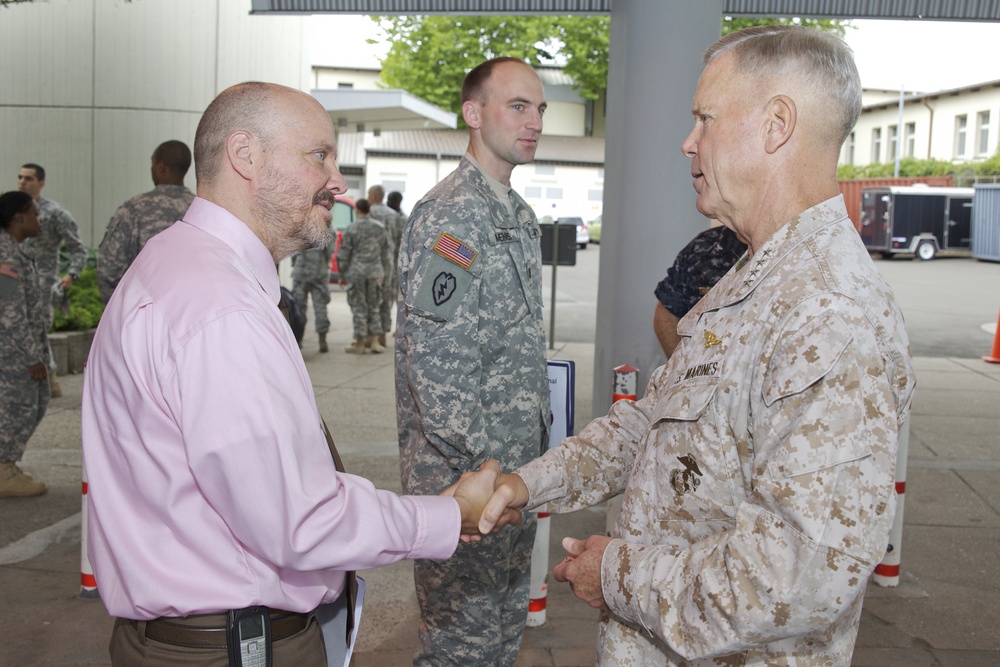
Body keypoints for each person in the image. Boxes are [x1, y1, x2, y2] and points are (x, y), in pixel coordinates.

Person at [477, 26, 917, 666]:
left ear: (775, 126)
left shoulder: (830, 313)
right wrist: (526, 487)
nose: (688, 142)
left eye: (705, 119)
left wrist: (617, 575)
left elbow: (795, 579)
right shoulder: (749, 276)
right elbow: (652, 426)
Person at [81, 81, 501, 666]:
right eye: (318, 155)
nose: (338, 180)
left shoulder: (180, 265)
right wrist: (448, 516)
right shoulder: (219, 308)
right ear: (245, 155)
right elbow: (299, 518)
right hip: (231, 645)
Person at [395, 57, 550, 666]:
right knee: (460, 644)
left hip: (510, 475)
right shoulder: (453, 215)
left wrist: (522, 475)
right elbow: (437, 365)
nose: (534, 120)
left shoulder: (515, 213)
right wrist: (483, 472)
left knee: (503, 636)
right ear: (473, 113)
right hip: (466, 481)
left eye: (540, 108)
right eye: (518, 106)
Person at [17, 163, 87, 398]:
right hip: (14, 286)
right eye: (20, 178)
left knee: (38, 333)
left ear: (41, 183)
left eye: (28, 178)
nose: (22, 182)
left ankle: (51, 380)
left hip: (43, 286)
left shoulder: (56, 213)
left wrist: (71, 275)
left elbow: (78, 249)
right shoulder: (11, 213)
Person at [96, 140, 196, 303]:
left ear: (160, 167)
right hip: (193, 314)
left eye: (152, 163)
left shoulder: (134, 209)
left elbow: (109, 271)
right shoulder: (200, 209)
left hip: (143, 316)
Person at [0, 191, 50, 498]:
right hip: (11, 352)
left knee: (32, 404)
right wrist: (33, 358)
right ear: (18, 217)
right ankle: (4, 469)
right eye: (34, 213)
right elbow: (10, 313)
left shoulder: (18, 250)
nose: (39, 219)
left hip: (18, 348)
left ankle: (7, 464)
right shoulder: (6, 256)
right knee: (14, 408)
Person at [653, 223, 746, 358]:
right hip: (707, 368)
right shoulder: (705, 247)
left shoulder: (783, 244)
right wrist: (681, 369)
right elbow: (666, 314)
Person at [337, 197, 389, 354]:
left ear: (357, 210)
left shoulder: (352, 228)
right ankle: (374, 341)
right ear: (369, 210)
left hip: (357, 272)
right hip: (374, 272)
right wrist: (384, 272)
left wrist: (342, 274)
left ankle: (359, 342)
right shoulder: (380, 228)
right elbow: (385, 253)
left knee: (359, 307)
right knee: (374, 306)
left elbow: (343, 254)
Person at [290, 229, 336, 353]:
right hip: (318, 272)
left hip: (301, 271)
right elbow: (329, 252)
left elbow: (293, 250)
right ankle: (322, 339)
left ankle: (298, 339)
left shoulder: (301, 225)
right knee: (320, 306)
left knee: (299, 308)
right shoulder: (328, 229)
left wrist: (295, 264)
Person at [367, 184, 398, 347]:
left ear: (372, 197)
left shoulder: (368, 213)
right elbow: (400, 239)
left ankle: (369, 334)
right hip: (389, 261)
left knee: (370, 298)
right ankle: (383, 333)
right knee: (386, 298)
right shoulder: (394, 215)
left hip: (371, 261)